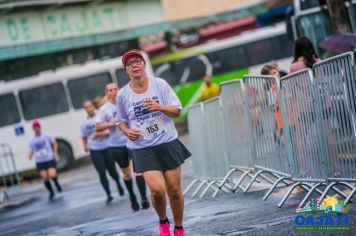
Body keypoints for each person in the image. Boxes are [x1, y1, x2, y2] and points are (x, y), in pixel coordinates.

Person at [116, 50, 191, 236]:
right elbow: (121, 121)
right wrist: (127, 131)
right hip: (142, 148)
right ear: (126, 70)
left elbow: (177, 111)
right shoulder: (123, 95)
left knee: (174, 189)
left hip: (167, 141)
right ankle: (163, 221)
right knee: (157, 190)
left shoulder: (160, 84)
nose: (134, 65)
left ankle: (179, 227)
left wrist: (159, 107)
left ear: (143, 64)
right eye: (130, 63)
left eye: (137, 61)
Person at [96, 83, 149, 211]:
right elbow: (98, 126)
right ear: (107, 93)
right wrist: (111, 124)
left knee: (138, 170)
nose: (114, 92)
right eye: (110, 90)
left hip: (131, 142)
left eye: (115, 89)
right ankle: (132, 196)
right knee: (126, 174)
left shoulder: (125, 102)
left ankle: (144, 198)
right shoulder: (104, 109)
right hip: (116, 146)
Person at [80, 100, 125, 203]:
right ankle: (108, 194)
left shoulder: (100, 117)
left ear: (93, 107)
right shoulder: (83, 123)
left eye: (90, 106)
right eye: (86, 107)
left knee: (112, 170)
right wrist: (85, 145)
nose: (88, 109)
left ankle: (118, 183)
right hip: (95, 149)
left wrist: (103, 133)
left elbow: (112, 127)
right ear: (85, 110)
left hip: (107, 146)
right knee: (101, 172)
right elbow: (83, 137)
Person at [28, 120, 62, 200]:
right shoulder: (32, 140)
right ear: (33, 129)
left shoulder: (46, 136)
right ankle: (51, 192)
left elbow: (54, 143)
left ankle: (56, 183)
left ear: (40, 127)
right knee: (45, 177)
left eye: (38, 127)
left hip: (49, 158)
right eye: (35, 127)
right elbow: (31, 149)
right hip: (40, 161)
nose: (37, 129)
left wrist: (55, 152)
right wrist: (29, 155)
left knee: (52, 175)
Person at [261, 64, 283, 144]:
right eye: (272, 74)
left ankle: (278, 135)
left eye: (275, 72)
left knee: (283, 126)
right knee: (281, 125)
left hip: (287, 108)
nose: (275, 74)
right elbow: (272, 105)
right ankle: (277, 136)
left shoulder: (282, 79)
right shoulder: (269, 87)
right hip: (278, 109)